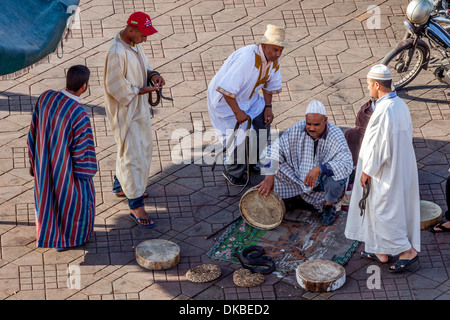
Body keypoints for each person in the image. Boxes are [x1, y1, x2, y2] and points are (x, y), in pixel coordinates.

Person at [344, 64, 421, 272]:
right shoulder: (399, 105)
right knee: (386, 208)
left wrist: (367, 170)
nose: (368, 88)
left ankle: (407, 250)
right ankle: (381, 250)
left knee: (384, 210)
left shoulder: (385, 111)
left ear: (377, 85)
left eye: (369, 85)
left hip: (385, 171)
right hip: (400, 167)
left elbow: (379, 147)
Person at [104, 12, 165, 228]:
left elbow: (143, 67)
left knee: (132, 151)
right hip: (125, 111)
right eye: (143, 35)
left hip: (138, 108)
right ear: (131, 29)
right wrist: (142, 89)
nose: (145, 39)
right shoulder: (116, 53)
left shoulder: (134, 44)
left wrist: (153, 75)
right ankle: (135, 205)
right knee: (133, 156)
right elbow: (115, 86)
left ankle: (119, 187)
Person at [27, 65, 97, 250]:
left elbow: (33, 131)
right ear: (84, 86)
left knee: (47, 202)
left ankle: (50, 236)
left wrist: (34, 162)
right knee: (73, 204)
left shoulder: (45, 98)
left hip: (43, 165)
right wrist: (85, 175)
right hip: (65, 172)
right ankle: (66, 240)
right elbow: (82, 153)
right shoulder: (79, 114)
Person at [207, 24, 285, 186]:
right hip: (226, 102)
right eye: (274, 50)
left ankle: (251, 162)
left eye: (280, 50)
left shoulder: (273, 60)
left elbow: (269, 86)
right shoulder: (247, 59)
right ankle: (233, 170)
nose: (278, 54)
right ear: (263, 46)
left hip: (248, 98)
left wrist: (268, 108)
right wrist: (238, 113)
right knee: (238, 136)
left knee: (262, 125)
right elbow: (227, 90)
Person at [255, 100, 353, 225]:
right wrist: (269, 176)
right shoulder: (297, 129)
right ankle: (297, 197)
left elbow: (346, 163)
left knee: (338, 176)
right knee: (273, 166)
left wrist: (320, 168)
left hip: (322, 182)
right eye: (309, 124)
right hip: (299, 177)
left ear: (325, 120)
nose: (311, 128)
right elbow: (274, 150)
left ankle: (329, 206)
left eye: (316, 124)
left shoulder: (336, 134)